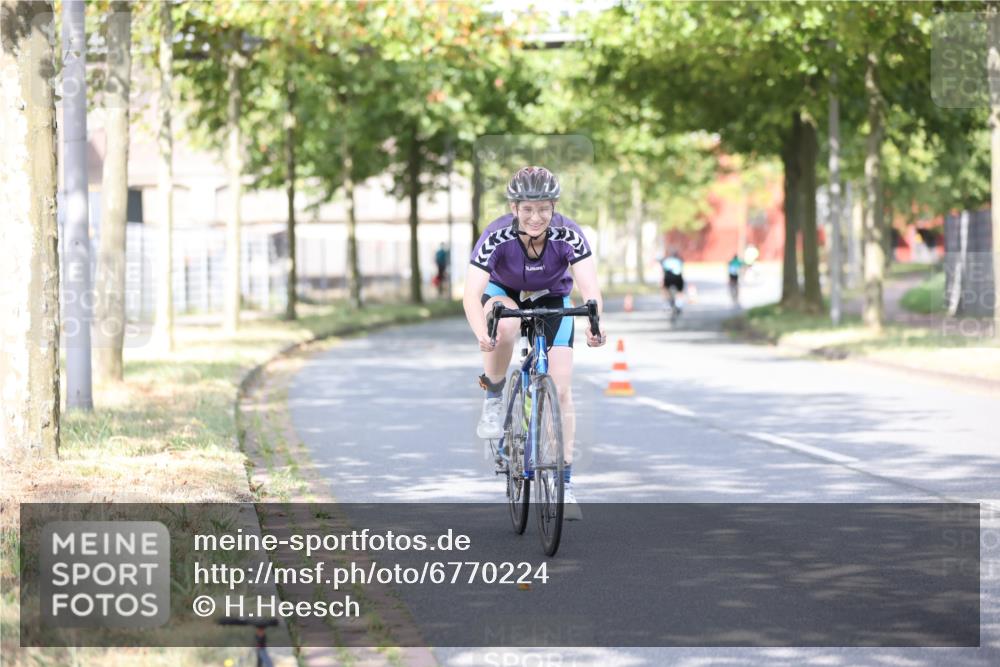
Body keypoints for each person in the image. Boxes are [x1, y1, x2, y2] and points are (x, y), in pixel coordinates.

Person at [463, 166, 606, 521]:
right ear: (514, 208)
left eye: (543, 208)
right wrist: (482, 331)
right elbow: (470, 294)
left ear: (554, 206)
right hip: (504, 292)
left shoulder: (568, 233)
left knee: (560, 390)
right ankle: (495, 395)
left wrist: (595, 324)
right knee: (505, 326)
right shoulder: (496, 236)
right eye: (527, 209)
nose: (536, 217)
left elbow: (590, 290)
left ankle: (564, 484)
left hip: (551, 296)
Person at [660, 250, 684, 316]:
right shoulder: (679, 260)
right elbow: (681, 269)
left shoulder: (666, 261)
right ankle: (679, 304)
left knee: (665, 289)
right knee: (680, 291)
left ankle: (666, 305)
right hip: (678, 278)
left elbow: (663, 271)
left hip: (668, 278)